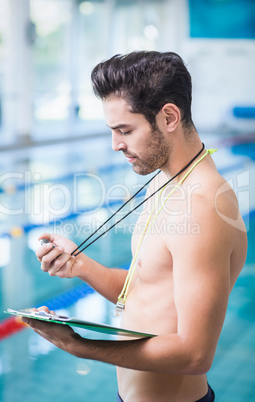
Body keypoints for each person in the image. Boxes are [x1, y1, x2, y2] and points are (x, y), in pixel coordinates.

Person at [22, 51, 247, 402]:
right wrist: (82, 266)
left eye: (125, 130)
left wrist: (81, 347)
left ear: (169, 116)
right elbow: (144, 293)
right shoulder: (165, 180)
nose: (116, 145)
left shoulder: (203, 208)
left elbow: (195, 353)